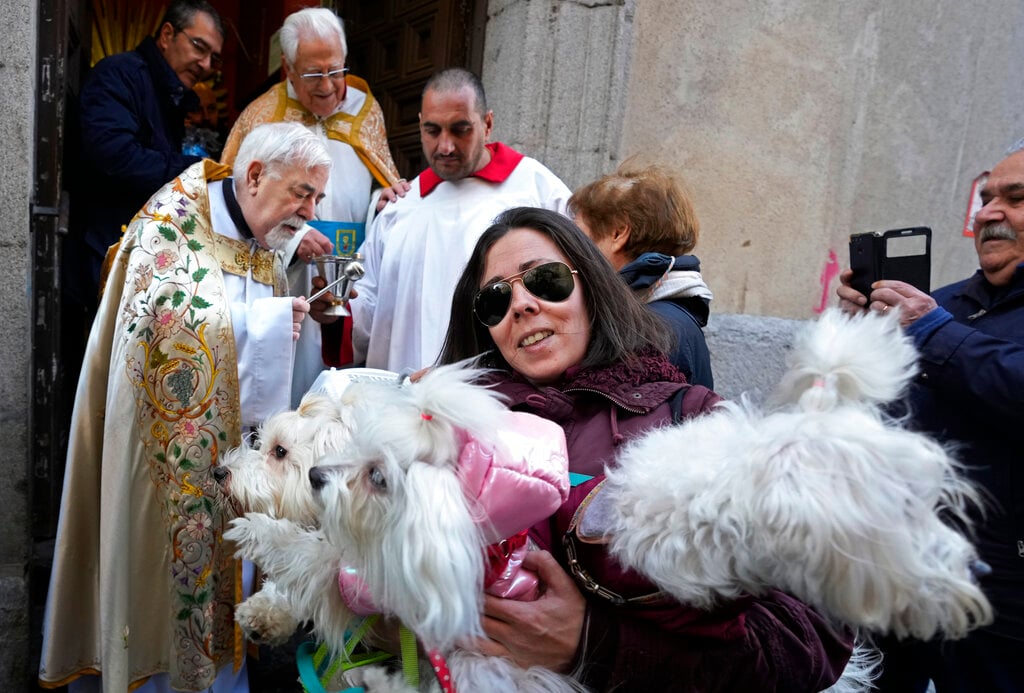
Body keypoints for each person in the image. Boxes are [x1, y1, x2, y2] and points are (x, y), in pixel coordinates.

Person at [438, 207, 853, 691]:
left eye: (546, 280)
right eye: (495, 298)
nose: (522, 305)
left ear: (592, 285)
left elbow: (813, 638)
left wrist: (594, 645)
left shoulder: (695, 420)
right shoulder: (452, 432)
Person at [39, 122, 336, 693]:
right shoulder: (170, 224)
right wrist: (270, 326)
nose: (311, 210)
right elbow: (166, 337)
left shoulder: (263, 234)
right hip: (165, 463)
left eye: (317, 197)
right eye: (302, 193)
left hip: (235, 455)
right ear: (254, 175)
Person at [836, 144, 1024, 692]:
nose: (988, 214)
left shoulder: (934, 319)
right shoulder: (943, 306)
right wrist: (858, 336)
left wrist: (931, 331)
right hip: (899, 574)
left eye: (1015, 200)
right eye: (986, 199)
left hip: (1002, 600)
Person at [352, 68, 572, 372]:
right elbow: (368, 301)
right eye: (432, 131)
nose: (445, 146)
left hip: (499, 396)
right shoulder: (399, 208)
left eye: (460, 129)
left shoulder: (537, 189)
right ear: (419, 126)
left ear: (488, 124)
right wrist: (336, 311)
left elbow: (575, 287)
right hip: (401, 399)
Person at [65, 0, 225, 311]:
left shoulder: (167, 93)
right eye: (198, 47)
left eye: (213, 58)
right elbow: (116, 158)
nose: (205, 64)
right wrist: (198, 171)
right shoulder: (120, 74)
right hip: (100, 259)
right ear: (167, 35)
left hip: (133, 260)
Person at [221, 7, 406, 257]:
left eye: (336, 70)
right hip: (282, 261)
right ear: (288, 67)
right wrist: (294, 238)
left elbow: (378, 179)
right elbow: (238, 197)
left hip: (350, 258)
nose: (327, 86)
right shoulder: (262, 115)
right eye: (314, 74)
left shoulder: (366, 109)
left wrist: (378, 202)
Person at [569, 164, 715, 387]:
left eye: (578, 234)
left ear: (618, 233)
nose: (568, 249)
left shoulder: (648, 329)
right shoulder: (658, 313)